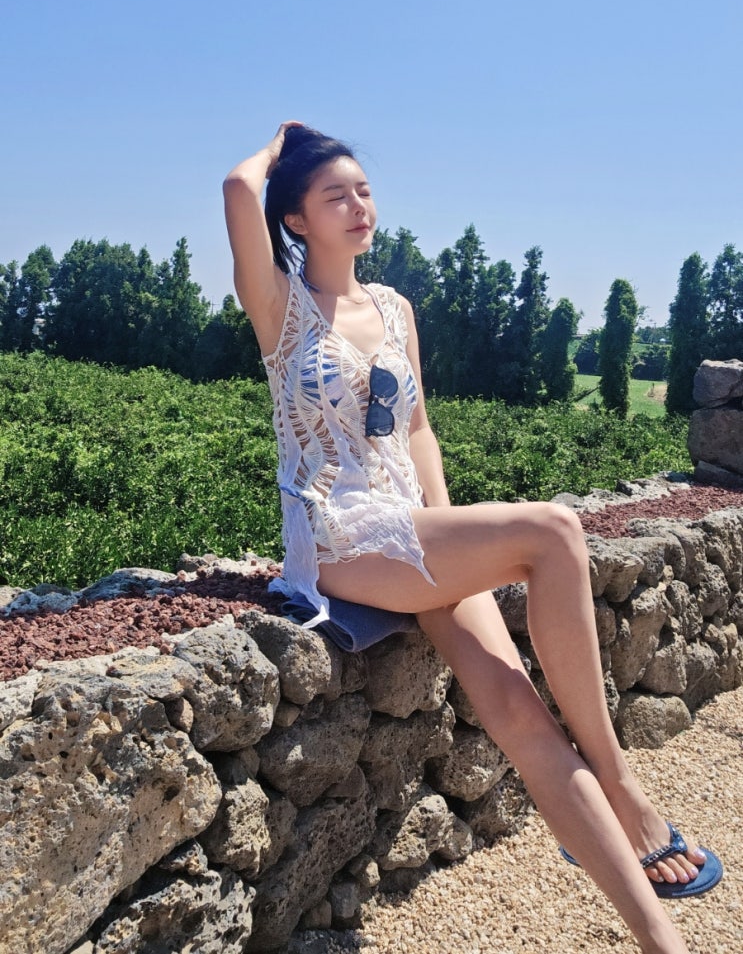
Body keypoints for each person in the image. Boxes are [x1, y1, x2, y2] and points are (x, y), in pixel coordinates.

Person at [223, 122, 722, 954]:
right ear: (297, 219)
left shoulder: (394, 307)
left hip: (413, 535)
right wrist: (281, 141)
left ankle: (657, 937)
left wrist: (453, 538)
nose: (358, 205)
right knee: (554, 528)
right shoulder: (279, 306)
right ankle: (620, 782)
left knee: (521, 712)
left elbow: (418, 429)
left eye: (364, 190)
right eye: (335, 195)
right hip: (340, 537)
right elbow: (241, 189)